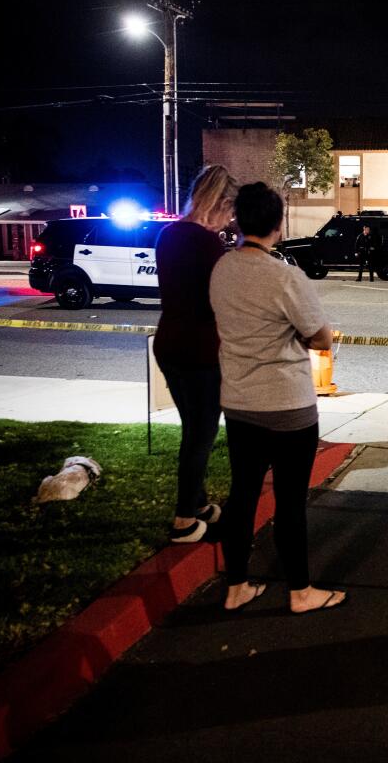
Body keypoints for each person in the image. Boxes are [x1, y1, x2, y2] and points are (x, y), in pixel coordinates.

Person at [209, 182, 346, 614]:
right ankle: (301, 592)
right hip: (287, 406)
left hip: (239, 403)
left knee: (243, 494)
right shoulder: (286, 276)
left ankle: (236, 587)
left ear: (238, 220)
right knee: (289, 502)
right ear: (278, 224)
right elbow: (321, 338)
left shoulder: (221, 270)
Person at [154, 164, 238, 543]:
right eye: (229, 209)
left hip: (170, 343)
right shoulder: (206, 243)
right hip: (200, 349)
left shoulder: (168, 234)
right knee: (200, 435)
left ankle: (198, 502)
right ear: (218, 202)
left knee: (194, 429)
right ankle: (185, 518)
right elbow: (219, 300)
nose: (231, 218)